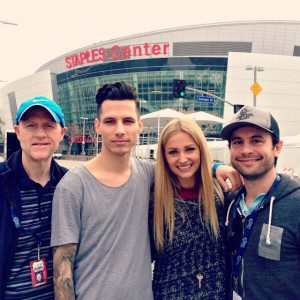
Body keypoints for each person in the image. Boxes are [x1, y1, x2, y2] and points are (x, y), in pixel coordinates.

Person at [51, 81, 241, 299]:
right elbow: (62, 270)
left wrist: (216, 167)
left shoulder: (149, 173)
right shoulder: (73, 186)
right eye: (110, 121)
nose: (120, 130)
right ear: (97, 125)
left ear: (139, 126)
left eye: (128, 121)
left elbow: (183, 163)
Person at [221, 105, 300, 300]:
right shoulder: (231, 203)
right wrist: (214, 166)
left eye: (256, 140)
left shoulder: (296, 205)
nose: (246, 150)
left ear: (277, 147)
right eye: (237, 142)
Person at [149, 118, 227, 299]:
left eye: (190, 149)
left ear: (201, 150)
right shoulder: (154, 199)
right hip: (168, 293)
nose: (182, 159)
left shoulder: (221, 191)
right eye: (173, 152)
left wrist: (216, 167)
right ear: (164, 156)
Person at [0, 96, 67, 299]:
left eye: (48, 125)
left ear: (61, 133)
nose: (40, 134)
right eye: (31, 125)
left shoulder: (70, 184)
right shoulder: (2, 182)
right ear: (18, 131)